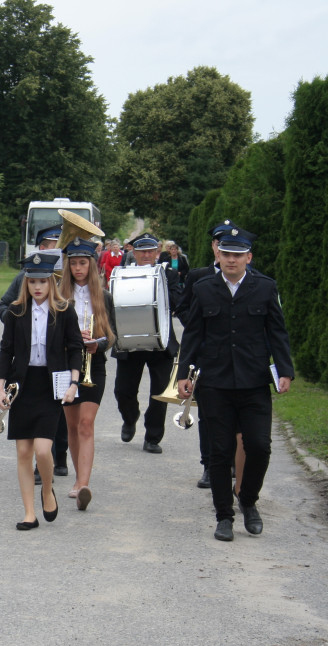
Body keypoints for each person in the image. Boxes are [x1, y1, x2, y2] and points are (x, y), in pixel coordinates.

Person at [177, 226, 293, 542]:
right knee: (220, 451)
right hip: (215, 383)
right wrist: (183, 376)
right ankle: (224, 516)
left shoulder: (265, 288)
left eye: (238, 255)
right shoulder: (204, 289)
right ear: (219, 255)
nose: (231, 260)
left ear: (248, 258)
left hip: (254, 381)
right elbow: (193, 336)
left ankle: (248, 499)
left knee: (259, 446)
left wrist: (285, 370)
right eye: (226, 254)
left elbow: (277, 333)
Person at [0, 253, 83, 530]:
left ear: (51, 282)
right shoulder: (15, 311)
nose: (37, 287)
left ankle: (47, 489)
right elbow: (6, 350)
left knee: (44, 450)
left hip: (51, 384)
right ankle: (29, 513)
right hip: (21, 384)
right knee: (23, 451)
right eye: (32, 281)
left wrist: (73, 383)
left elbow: (76, 348)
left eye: (42, 281)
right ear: (26, 282)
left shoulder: (64, 310)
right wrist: (0, 387)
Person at [0, 223, 69, 481]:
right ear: (41, 247)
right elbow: (6, 308)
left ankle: (56, 459)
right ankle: (44, 469)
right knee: (28, 444)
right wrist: (17, 325)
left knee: (55, 426)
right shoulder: (24, 279)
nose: (58, 249)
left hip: (56, 372)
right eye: (53, 244)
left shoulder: (69, 274)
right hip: (26, 377)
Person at [176, 220, 237, 488]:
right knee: (208, 414)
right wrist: (201, 327)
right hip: (205, 356)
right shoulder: (199, 276)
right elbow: (182, 308)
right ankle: (209, 465)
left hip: (237, 358)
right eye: (219, 243)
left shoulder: (246, 276)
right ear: (214, 247)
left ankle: (234, 462)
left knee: (238, 414)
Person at [58, 238, 116, 511]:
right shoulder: (58, 297)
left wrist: (98, 342)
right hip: (67, 364)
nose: (78, 268)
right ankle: (76, 478)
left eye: (83, 263)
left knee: (86, 424)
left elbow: (114, 335)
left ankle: (82, 484)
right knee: (71, 426)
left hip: (95, 363)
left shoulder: (103, 296)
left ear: (91, 265)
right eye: (73, 263)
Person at [112, 232, 181, 454]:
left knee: (160, 392)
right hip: (129, 339)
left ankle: (152, 437)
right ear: (133, 252)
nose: (147, 255)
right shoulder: (122, 274)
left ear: (158, 252)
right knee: (123, 391)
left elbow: (178, 301)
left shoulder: (168, 275)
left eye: (151, 251)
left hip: (160, 342)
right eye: (142, 251)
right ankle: (130, 418)